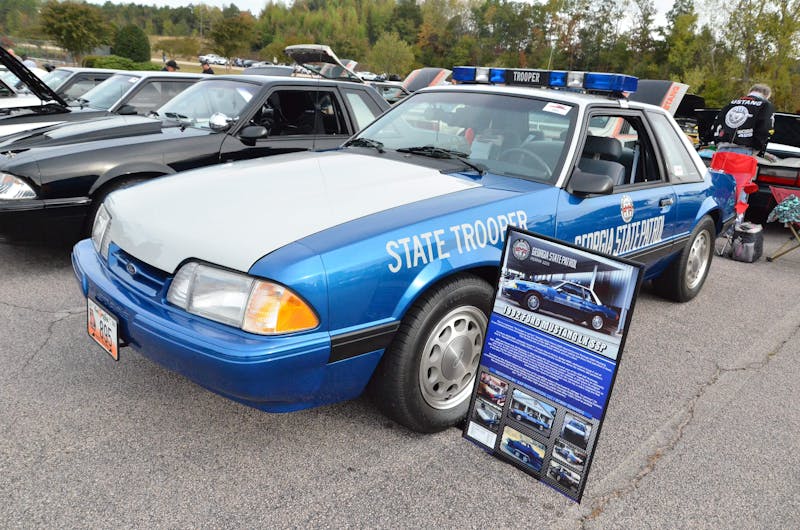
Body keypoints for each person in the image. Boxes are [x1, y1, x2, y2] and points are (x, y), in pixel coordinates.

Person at [712, 84, 775, 159]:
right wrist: (758, 149)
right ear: (767, 95)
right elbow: (765, 128)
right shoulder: (765, 105)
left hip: (721, 149)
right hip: (744, 149)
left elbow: (717, 123)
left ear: (750, 91)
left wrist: (717, 141)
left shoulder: (731, 103)